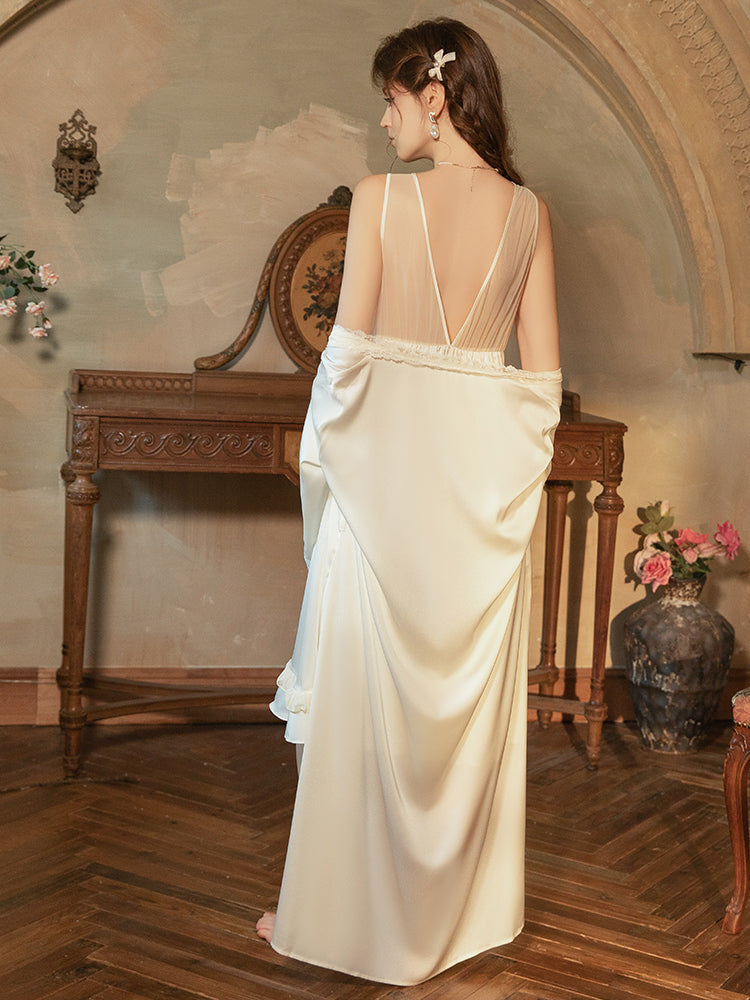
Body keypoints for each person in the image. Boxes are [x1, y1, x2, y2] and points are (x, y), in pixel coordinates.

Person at [256, 17, 561, 985]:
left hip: (380, 496)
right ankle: (460, 917)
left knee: (353, 705)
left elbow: (345, 367)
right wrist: (494, 502)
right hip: (476, 508)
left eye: (389, 102)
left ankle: (335, 912)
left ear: (432, 97)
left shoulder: (383, 201)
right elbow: (541, 386)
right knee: (456, 725)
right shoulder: (532, 213)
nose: (383, 125)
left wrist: (325, 472)